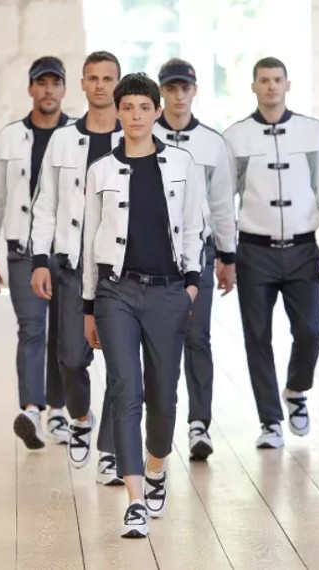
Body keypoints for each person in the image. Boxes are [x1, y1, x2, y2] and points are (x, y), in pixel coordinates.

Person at [81, 73, 204, 538]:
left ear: (157, 111)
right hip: (116, 292)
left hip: (169, 292)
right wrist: (88, 306)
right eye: (127, 107)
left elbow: (194, 227)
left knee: (164, 397)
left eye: (144, 107)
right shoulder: (101, 170)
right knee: (124, 389)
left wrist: (191, 287)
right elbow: (89, 242)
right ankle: (134, 499)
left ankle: (156, 468)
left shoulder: (182, 163)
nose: (135, 116)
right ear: (117, 112)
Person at [223, 57, 319, 449]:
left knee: (310, 330)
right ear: (253, 86)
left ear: (288, 85)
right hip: (254, 251)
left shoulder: (312, 131)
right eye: (264, 80)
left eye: (277, 80)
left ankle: (296, 388)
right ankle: (270, 421)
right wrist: (225, 253)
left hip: (303, 248)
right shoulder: (236, 137)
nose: (271, 86)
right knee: (256, 337)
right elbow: (224, 197)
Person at [29, 51, 124, 484]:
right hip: (70, 266)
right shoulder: (64, 141)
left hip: (120, 271)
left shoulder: (135, 136)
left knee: (122, 367)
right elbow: (45, 204)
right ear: (82, 85)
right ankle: (82, 418)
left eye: (108, 78)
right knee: (69, 359)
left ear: (118, 84)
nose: (100, 85)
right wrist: (39, 260)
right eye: (93, 78)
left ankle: (111, 452)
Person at [0, 56, 72, 450]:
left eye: (55, 83)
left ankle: (60, 411)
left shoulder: (77, 136)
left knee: (65, 336)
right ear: (30, 89)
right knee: (31, 329)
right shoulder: (11, 137)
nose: (48, 90)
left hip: (65, 252)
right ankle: (32, 409)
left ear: (64, 89)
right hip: (22, 249)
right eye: (41, 83)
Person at [153, 58, 237, 461]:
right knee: (156, 342)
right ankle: (159, 421)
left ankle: (199, 424)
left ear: (195, 90)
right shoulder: (144, 134)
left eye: (184, 88)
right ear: (161, 92)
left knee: (197, 336)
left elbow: (222, 203)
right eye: (171, 88)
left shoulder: (212, 142)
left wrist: (228, 255)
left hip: (198, 255)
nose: (178, 96)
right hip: (152, 256)